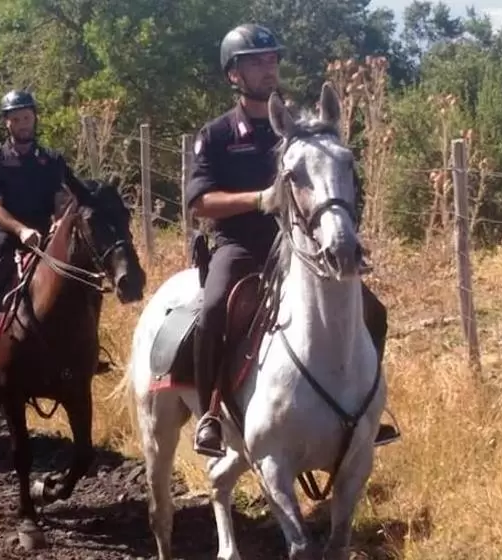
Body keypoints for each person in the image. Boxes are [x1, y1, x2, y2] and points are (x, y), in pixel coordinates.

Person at [186, 23, 399, 458]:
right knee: (212, 310)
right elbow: (198, 203)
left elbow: (335, 180)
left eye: (271, 60)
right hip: (243, 245)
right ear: (234, 75)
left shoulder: (301, 126)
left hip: (305, 247)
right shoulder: (218, 135)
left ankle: (366, 409)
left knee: (373, 310)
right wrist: (258, 199)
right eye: (255, 63)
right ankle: (210, 415)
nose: (268, 70)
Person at [0, 89, 97, 374]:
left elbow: (75, 193)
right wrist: (21, 231)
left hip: (47, 234)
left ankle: (88, 350)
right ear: (6, 123)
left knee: (86, 279)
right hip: (7, 234)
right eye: (16, 119)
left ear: (34, 118)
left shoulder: (51, 159)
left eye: (27, 117)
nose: (23, 123)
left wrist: (64, 218)